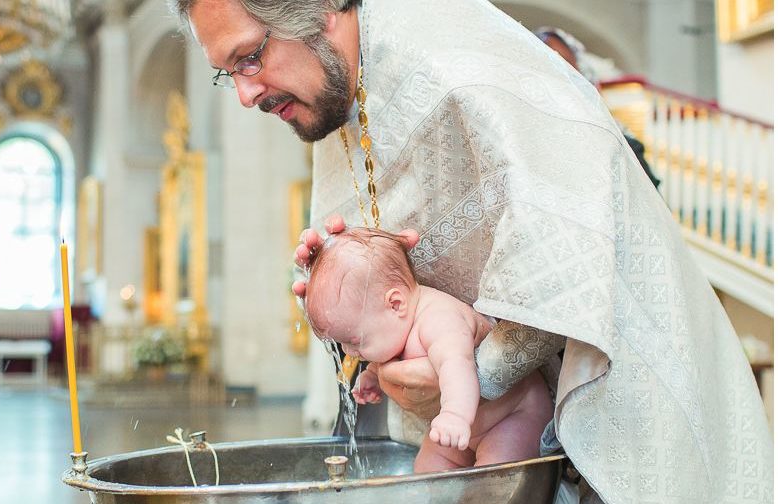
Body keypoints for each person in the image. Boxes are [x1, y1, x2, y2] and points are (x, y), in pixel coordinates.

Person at [171, 0, 773, 502]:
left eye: (249, 57)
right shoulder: (343, 94)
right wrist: (339, 281)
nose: (246, 94)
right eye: (229, 73)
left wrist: (457, 377)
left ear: (323, 8)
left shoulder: (456, 67)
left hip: (628, 423)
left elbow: (564, 258)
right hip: (512, 441)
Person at [304, 227, 552, 472]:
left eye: (356, 341)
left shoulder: (438, 320)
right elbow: (392, 359)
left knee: (495, 478)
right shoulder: (396, 327)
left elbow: (457, 367)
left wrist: (455, 415)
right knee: (427, 469)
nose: (349, 352)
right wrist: (373, 376)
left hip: (511, 416)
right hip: (460, 425)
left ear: (395, 304)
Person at [533, 26, 661, 190]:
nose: (555, 75)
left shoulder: (619, 144)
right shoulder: (524, 139)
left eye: (563, 63)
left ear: (583, 76)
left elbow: (646, 201)